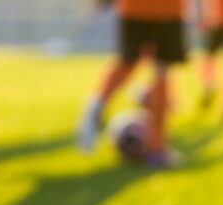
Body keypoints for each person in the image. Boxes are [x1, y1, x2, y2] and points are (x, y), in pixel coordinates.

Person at [78, 0, 189, 168]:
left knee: (127, 62)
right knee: (161, 71)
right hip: (168, 9)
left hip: (133, 7)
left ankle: (98, 102)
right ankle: (157, 150)